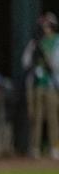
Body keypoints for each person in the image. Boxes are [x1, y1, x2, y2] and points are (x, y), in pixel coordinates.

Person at [23, 12, 59, 159]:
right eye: (43, 25)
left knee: (53, 118)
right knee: (36, 117)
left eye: (48, 25)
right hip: (37, 84)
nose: (45, 28)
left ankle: (55, 147)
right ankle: (35, 148)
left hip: (52, 84)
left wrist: (49, 63)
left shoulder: (57, 41)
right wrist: (35, 60)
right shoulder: (36, 43)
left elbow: (55, 65)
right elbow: (25, 62)